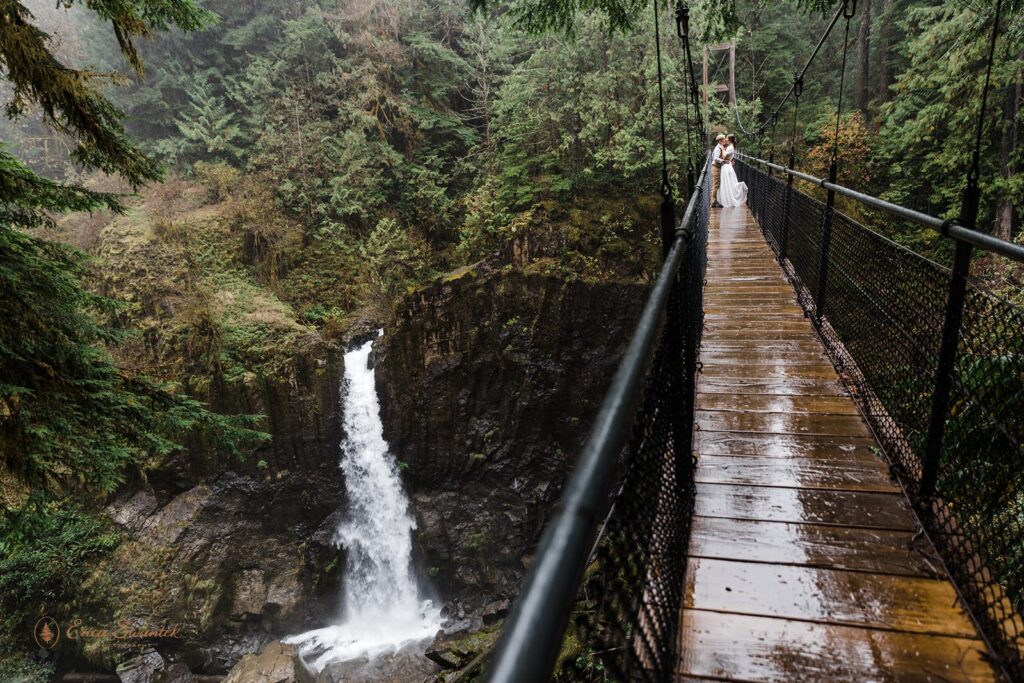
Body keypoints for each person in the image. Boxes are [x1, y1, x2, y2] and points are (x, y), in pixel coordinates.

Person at [718, 133, 748, 208]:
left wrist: (722, 149)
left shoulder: (730, 147)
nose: (725, 139)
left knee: (728, 184)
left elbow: (724, 157)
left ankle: (730, 198)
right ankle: (726, 198)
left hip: (727, 167)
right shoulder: (729, 147)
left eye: (727, 138)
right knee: (728, 184)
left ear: (730, 140)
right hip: (727, 166)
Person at [710, 133, 726, 208]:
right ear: (720, 140)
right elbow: (715, 158)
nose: (724, 140)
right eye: (723, 139)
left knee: (718, 184)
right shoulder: (718, 148)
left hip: (717, 167)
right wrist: (723, 161)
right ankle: (713, 202)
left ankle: (717, 200)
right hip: (716, 168)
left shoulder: (721, 147)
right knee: (716, 185)